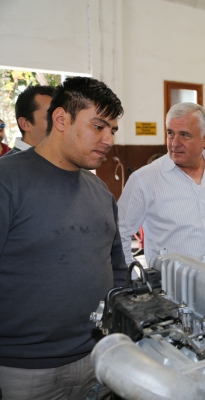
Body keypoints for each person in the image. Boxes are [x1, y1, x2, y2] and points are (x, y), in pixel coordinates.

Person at [0, 77, 127, 399]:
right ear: (61, 120)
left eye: (113, 130)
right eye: (98, 126)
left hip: (96, 357)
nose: (109, 139)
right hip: (23, 369)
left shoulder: (100, 190)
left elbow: (117, 269)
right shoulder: (7, 181)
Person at [118, 102, 205, 270]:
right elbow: (120, 234)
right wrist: (131, 279)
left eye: (184, 135)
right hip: (170, 283)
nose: (174, 143)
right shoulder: (144, 179)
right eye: (170, 133)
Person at [2, 85, 55, 157]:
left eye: (62, 118)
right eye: (50, 118)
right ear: (25, 124)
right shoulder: (8, 163)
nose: (61, 124)